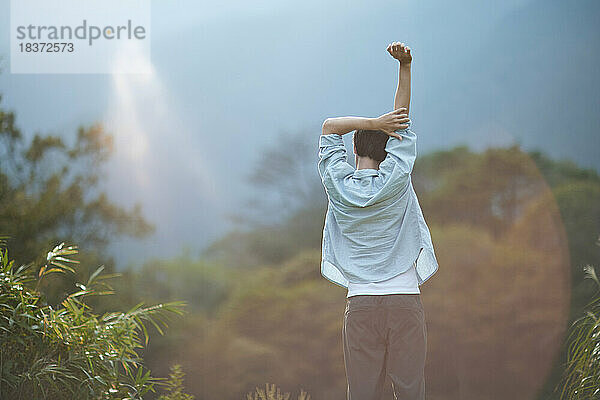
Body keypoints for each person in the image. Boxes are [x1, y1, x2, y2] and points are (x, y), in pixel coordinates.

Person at [317, 42, 439, 399]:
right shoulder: (398, 178)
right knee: (410, 391)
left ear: (353, 148)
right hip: (405, 300)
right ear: (390, 150)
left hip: (361, 305)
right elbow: (401, 118)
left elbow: (328, 126)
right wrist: (405, 66)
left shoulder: (336, 185)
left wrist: (373, 123)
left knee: (362, 393)